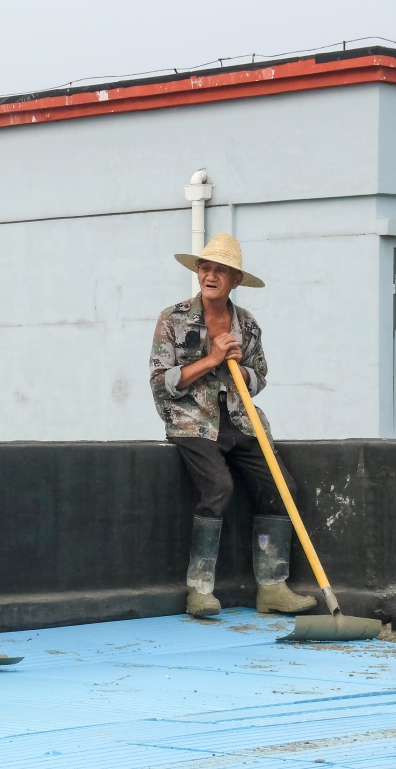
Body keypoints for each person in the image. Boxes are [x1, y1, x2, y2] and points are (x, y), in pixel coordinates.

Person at [150, 233, 318, 618]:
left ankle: (273, 588)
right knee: (219, 486)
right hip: (192, 423)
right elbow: (162, 385)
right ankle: (200, 590)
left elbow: (258, 380)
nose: (209, 275)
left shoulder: (248, 324)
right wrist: (211, 360)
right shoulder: (173, 318)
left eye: (220, 270)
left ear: (236, 280)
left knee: (281, 486)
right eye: (204, 268)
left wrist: (239, 366)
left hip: (241, 422)